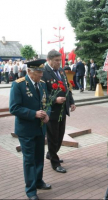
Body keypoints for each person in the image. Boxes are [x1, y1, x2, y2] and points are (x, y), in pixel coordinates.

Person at [9, 59, 51, 200]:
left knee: (39, 157)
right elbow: (14, 108)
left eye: (41, 72)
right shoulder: (18, 85)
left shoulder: (43, 84)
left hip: (40, 129)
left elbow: (48, 102)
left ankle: (38, 181)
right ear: (29, 72)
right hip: (26, 130)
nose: (41, 75)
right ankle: (31, 190)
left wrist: (47, 115)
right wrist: (34, 114)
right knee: (29, 160)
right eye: (38, 72)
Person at [42, 50, 76, 173]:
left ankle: (51, 153)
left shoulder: (61, 71)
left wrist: (71, 102)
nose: (58, 63)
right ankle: (55, 163)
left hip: (63, 110)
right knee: (53, 137)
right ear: (49, 60)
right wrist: (54, 99)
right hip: (52, 111)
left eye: (59, 60)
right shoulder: (44, 73)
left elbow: (67, 87)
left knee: (60, 135)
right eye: (56, 60)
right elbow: (43, 93)